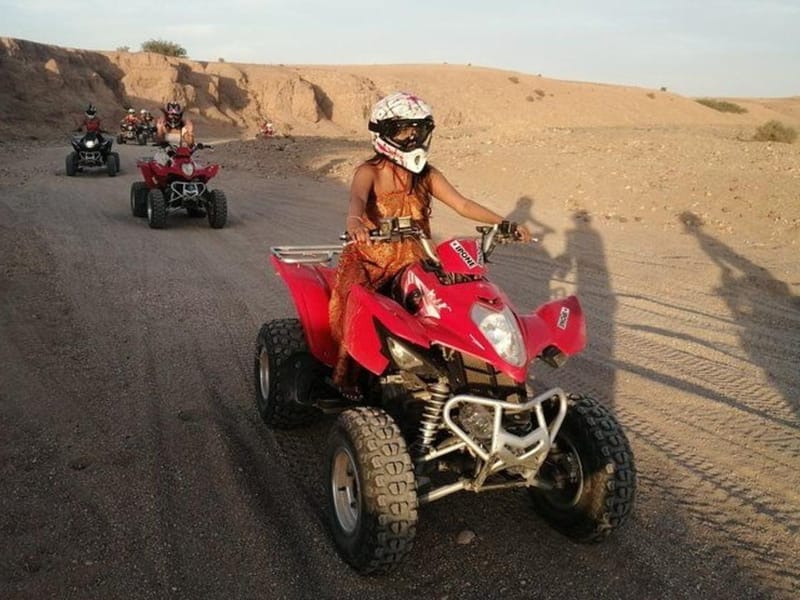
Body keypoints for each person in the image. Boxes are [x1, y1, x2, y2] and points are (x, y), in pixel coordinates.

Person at [328, 91, 532, 392]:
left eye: (418, 130)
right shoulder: (368, 172)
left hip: (415, 257)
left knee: (450, 301)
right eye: (404, 130)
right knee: (355, 304)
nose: (412, 138)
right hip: (371, 259)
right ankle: (346, 380)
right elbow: (357, 200)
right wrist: (355, 222)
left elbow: (462, 204)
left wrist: (503, 222)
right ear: (384, 133)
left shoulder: (426, 175)